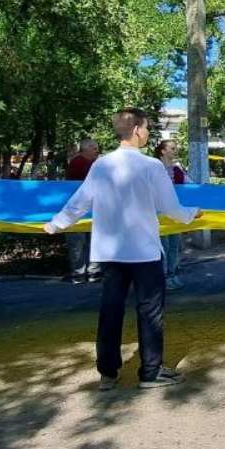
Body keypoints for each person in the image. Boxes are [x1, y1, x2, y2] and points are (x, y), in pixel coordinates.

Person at [43, 109, 200, 390]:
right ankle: (150, 372)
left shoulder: (101, 166)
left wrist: (55, 225)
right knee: (150, 311)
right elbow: (170, 207)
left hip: (110, 252)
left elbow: (79, 202)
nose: (149, 133)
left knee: (111, 311)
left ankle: (107, 373)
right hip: (144, 252)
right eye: (148, 128)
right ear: (138, 129)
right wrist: (192, 213)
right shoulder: (151, 166)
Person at [63, 138, 100, 284]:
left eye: (96, 147)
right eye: (93, 147)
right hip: (78, 209)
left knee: (92, 241)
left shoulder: (95, 163)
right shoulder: (78, 162)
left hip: (92, 208)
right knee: (78, 241)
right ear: (84, 149)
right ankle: (80, 273)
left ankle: (92, 273)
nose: (96, 150)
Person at [156, 139, 188, 290]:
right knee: (164, 246)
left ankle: (172, 274)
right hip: (159, 213)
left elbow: (190, 184)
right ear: (163, 151)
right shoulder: (154, 168)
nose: (175, 151)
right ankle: (162, 278)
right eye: (172, 148)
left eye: (176, 148)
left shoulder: (177, 170)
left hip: (175, 213)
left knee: (174, 245)